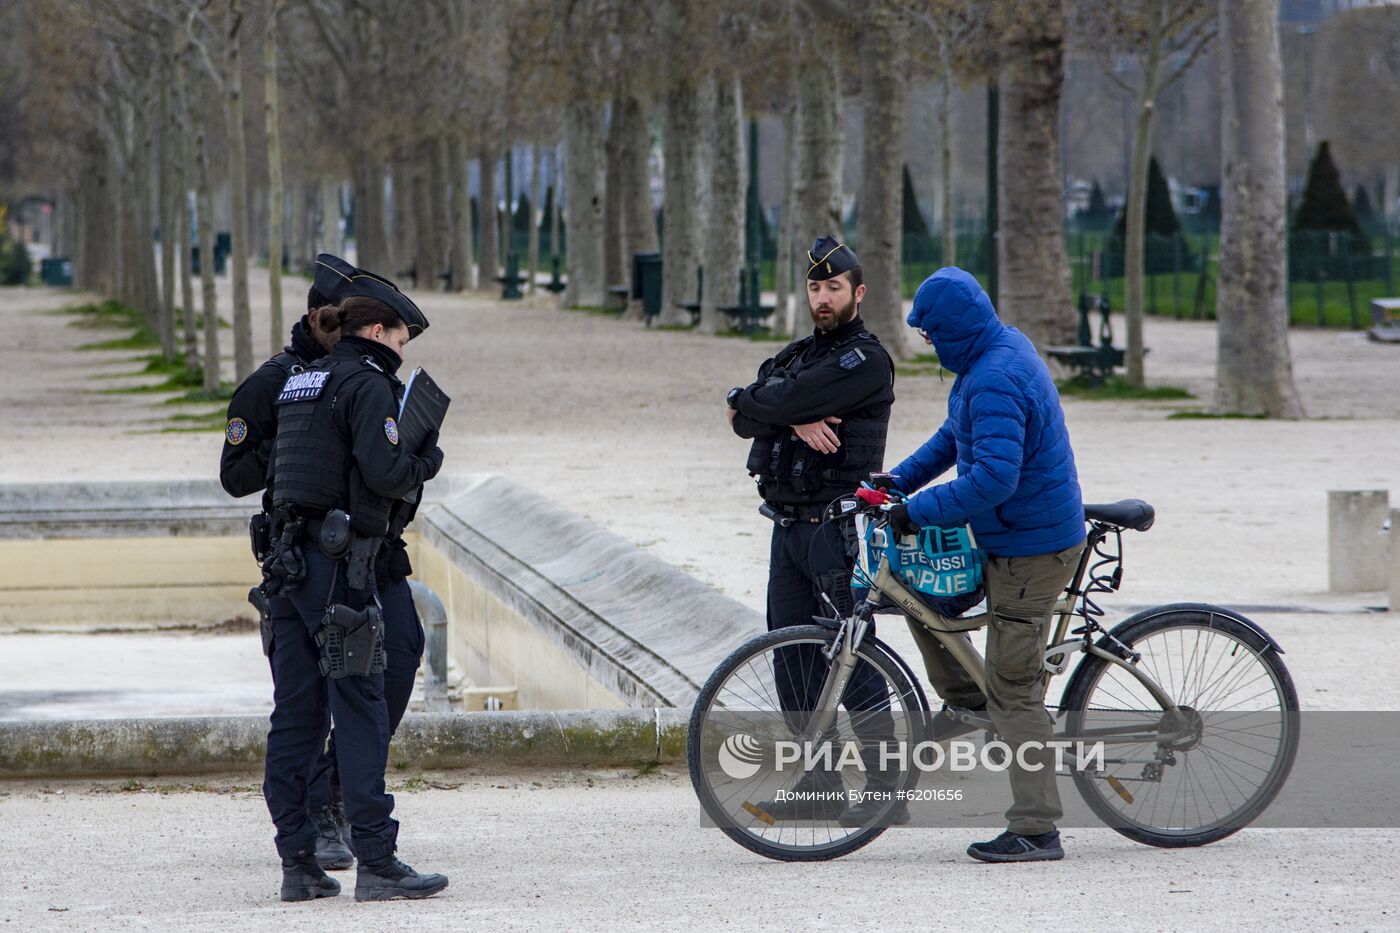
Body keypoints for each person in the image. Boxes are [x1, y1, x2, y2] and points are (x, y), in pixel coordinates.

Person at [222, 254, 426, 873]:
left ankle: (332, 799)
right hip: (313, 551)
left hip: (372, 550)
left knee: (398, 660)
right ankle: (327, 820)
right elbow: (235, 474)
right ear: (319, 317)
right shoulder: (278, 380)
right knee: (321, 696)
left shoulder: (364, 377)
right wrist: (305, 440)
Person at [885, 266, 1086, 863]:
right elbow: (954, 436)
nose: (928, 344)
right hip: (1008, 535)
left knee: (1015, 685)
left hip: (1032, 547)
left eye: (930, 335)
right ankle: (975, 703)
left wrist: (915, 512)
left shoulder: (995, 375)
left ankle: (1037, 829)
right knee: (925, 598)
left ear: (952, 330)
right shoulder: (991, 353)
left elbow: (995, 478)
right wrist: (896, 482)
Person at [261, 288, 448, 902]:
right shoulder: (368, 386)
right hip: (337, 568)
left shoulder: (300, 381)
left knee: (296, 714)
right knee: (361, 702)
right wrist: (426, 457)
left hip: (287, 566)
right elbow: (385, 474)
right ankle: (377, 859)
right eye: (399, 338)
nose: (402, 351)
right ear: (375, 333)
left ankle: (298, 863)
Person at [725, 235, 899, 826]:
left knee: (855, 656)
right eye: (815, 287)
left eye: (834, 287)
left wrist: (769, 407)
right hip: (787, 529)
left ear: (858, 292)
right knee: (793, 660)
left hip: (836, 530)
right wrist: (790, 418)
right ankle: (819, 783)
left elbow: (766, 403)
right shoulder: (798, 354)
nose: (823, 298)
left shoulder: (865, 360)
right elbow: (743, 417)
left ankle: (886, 788)